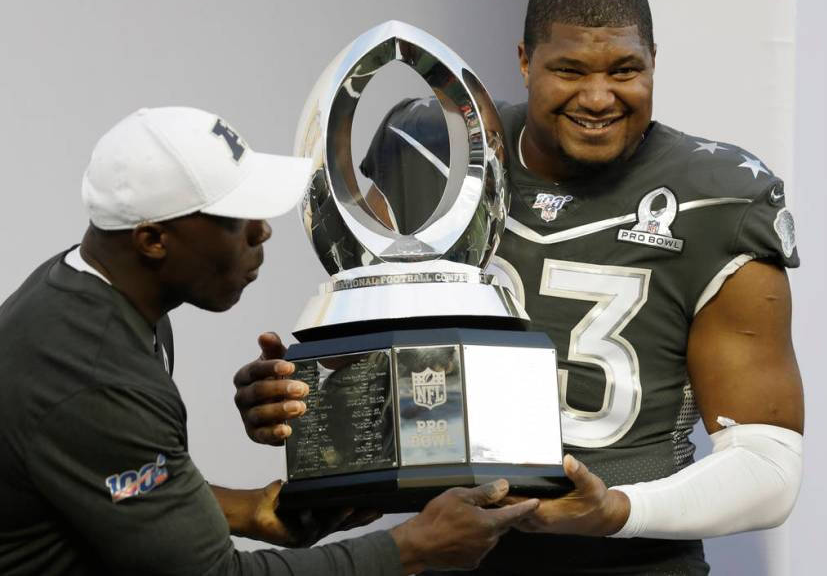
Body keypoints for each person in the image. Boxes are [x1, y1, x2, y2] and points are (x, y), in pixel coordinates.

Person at [235, 0, 805, 575]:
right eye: (569, 70)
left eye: (624, 70)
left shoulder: (716, 196)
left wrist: (614, 510)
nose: (597, 97)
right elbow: (399, 376)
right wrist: (312, 400)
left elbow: (768, 465)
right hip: (453, 549)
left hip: (633, 562)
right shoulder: (430, 144)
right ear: (525, 61)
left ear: (654, 62)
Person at [0, 106, 539, 575]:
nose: (263, 231)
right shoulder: (94, 375)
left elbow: (94, 478)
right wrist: (412, 549)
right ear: (153, 240)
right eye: (238, 219)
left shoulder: (89, 287)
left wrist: (248, 509)